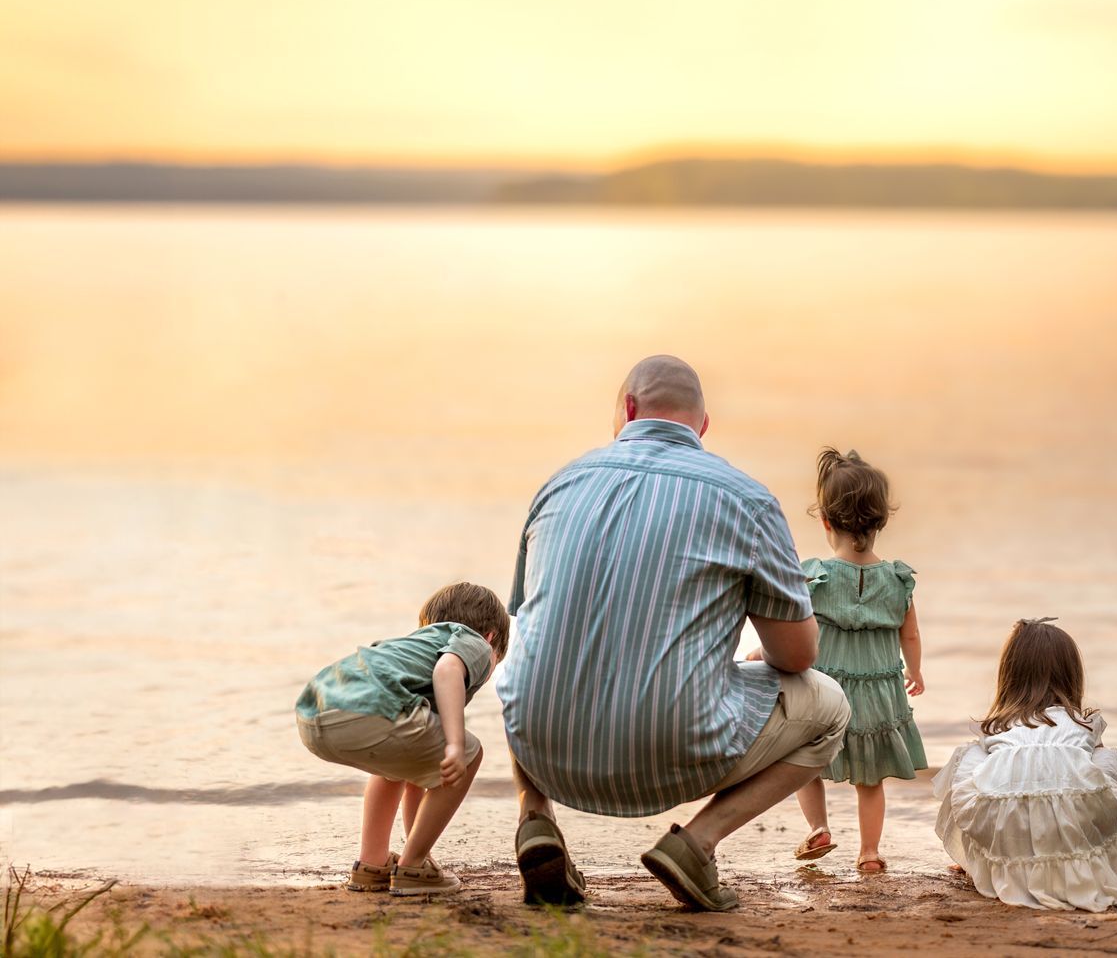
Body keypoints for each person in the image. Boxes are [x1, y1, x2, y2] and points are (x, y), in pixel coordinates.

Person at [496, 355, 852, 911]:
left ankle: (535, 815)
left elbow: (527, 619)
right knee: (829, 708)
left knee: (535, 658)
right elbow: (798, 654)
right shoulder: (746, 499)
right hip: (672, 753)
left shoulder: (560, 483)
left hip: (543, 748)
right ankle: (696, 844)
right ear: (702, 427)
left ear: (628, 410)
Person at [294, 581, 508, 897]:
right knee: (470, 754)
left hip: (315, 712)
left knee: (397, 769)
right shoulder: (472, 641)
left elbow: (416, 779)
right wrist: (454, 744)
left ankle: (372, 863)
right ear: (491, 637)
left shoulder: (410, 646)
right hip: (374, 709)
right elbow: (448, 670)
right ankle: (414, 866)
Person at [932, 618, 1117, 911]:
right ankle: (1100, 859)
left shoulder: (998, 727)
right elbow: (1089, 786)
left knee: (968, 757)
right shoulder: (1084, 724)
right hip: (1072, 835)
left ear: (1009, 676)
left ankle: (973, 858)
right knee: (1107, 761)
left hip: (1007, 838)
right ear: (1071, 675)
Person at [781, 448, 927, 873]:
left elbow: (794, 627)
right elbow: (910, 632)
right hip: (877, 693)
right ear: (881, 520)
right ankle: (869, 852)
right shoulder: (898, 579)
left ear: (826, 521)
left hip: (824, 689)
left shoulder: (815, 577)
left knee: (805, 760)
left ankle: (819, 827)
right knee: (870, 779)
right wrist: (914, 670)